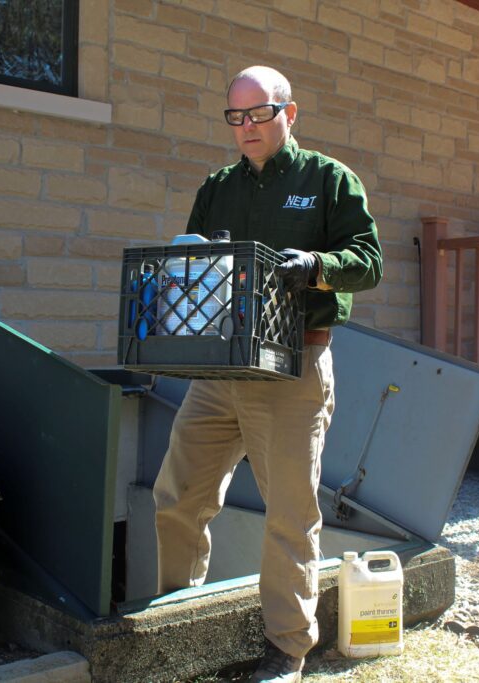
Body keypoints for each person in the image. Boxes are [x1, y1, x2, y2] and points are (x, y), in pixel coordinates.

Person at [153, 65, 382, 683]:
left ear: (291, 112)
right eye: (236, 116)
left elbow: (369, 262)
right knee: (177, 498)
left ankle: (287, 649)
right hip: (220, 369)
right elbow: (191, 263)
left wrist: (316, 265)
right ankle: (178, 623)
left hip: (293, 367)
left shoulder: (328, 180)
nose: (247, 127)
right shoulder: (218, 186)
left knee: (288, 513)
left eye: (259, 113)